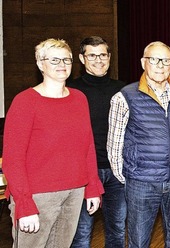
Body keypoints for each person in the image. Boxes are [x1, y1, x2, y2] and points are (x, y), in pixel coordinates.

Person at [3, 38, 104, 247]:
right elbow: (13, 159)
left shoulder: (79, 99)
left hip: (74, 193)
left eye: (66, 60)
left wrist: (92, 186)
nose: (62, 65)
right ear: (40, 64)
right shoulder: (25, 102)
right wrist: (24, 204)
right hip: (37, 196)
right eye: (54, 60)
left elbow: (87, 146)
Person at [107, 41, 170, 247]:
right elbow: (114, 144)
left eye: (166, 60)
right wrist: (128, 176)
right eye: (154, 60)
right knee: (139, 241)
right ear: (144, 62)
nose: (161, 65)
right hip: (142, 183)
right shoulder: (124, 96)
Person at [68, 36, 127, 248]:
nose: (99, 60)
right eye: (92, 55)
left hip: (116, 172)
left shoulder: (123, 90)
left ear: (109, 57)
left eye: (103, 54)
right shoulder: (70, 91)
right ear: (82, 59)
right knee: (82, 234)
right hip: (84, 172)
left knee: (117, 231)